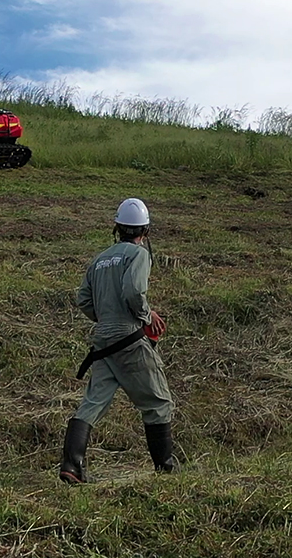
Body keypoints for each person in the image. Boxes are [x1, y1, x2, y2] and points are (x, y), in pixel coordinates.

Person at [59, 197, 176, 483]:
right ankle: (166, 469)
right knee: (158, 402)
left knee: (92, 403)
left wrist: (106, 319)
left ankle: (71, 466)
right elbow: (134, 292)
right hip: (129, 340)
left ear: (117, 227)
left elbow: (83, 300)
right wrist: (147, 317)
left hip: (103, 343)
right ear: (144, 231)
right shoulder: (139, 255)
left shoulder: (99, 259)